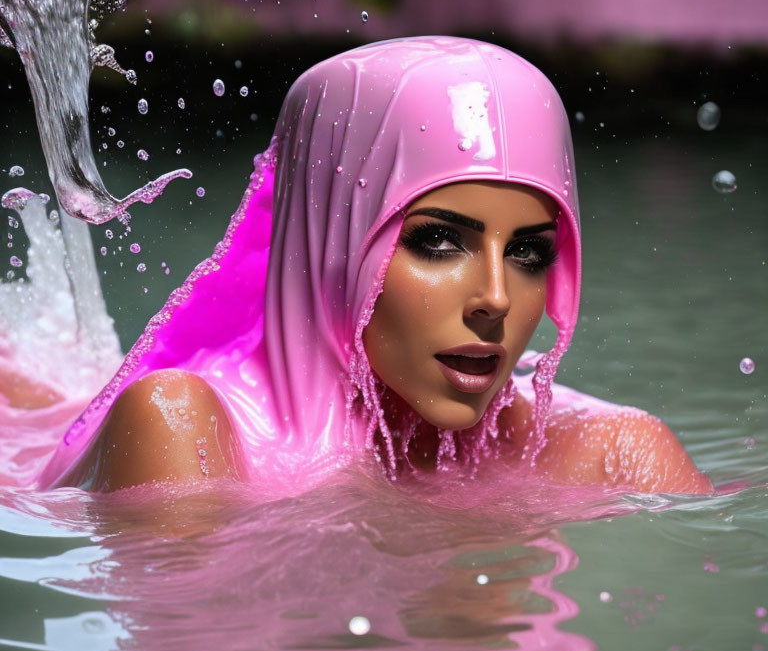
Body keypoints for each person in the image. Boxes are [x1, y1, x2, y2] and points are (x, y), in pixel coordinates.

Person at [39, 36, 712, 494]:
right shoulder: (184, 432)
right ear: (333, 242)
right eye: (439, 243)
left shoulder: (617, 454)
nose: (497, 299)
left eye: (530, 251)